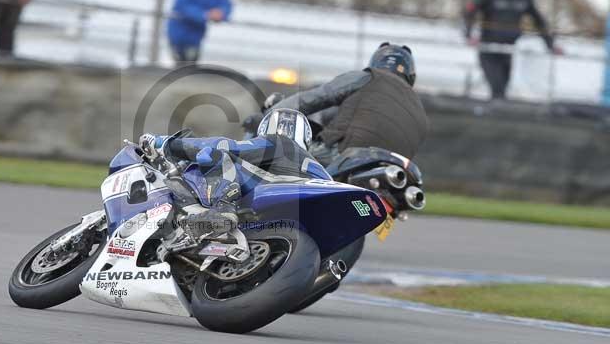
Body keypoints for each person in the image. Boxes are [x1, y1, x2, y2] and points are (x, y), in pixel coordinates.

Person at [140, 109, 327, 250]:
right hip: (305, 215)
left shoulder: (280, 142)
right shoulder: (319, 168)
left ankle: (223, 209)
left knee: (215, 154)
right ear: (307, 137)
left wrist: (165, 143)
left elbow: (223, 145)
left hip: (280, 189)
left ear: (267, 128)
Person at [270, 43, 430, 172]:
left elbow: (313, 98)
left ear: (375, 63)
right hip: (389, 176)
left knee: (280, 156)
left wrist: (271, 113)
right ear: (411, 74)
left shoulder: (368, 77)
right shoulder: (421, 113)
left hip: (344, 156)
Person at [464, 0, 563, 100]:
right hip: (489, 48)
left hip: (509, 49)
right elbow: (469, 11)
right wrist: (468, 35)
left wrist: (550, 44)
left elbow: (539, 20)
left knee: (502, 91)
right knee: (497, 89)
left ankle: (495, 118)